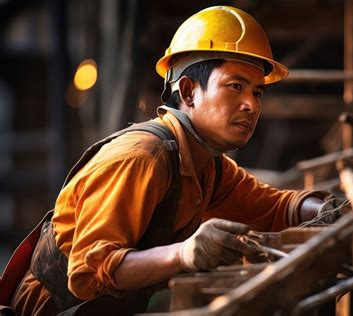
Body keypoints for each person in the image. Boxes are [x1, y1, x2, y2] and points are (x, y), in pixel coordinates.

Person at [11, 5, 335, 315]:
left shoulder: (209, 168)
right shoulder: (143, 158)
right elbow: (87, 273)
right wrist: (185, 253)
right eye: (235, 86)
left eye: (258, 92)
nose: (250, 104)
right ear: (189, 91)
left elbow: (276, 209)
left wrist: (331, 210)